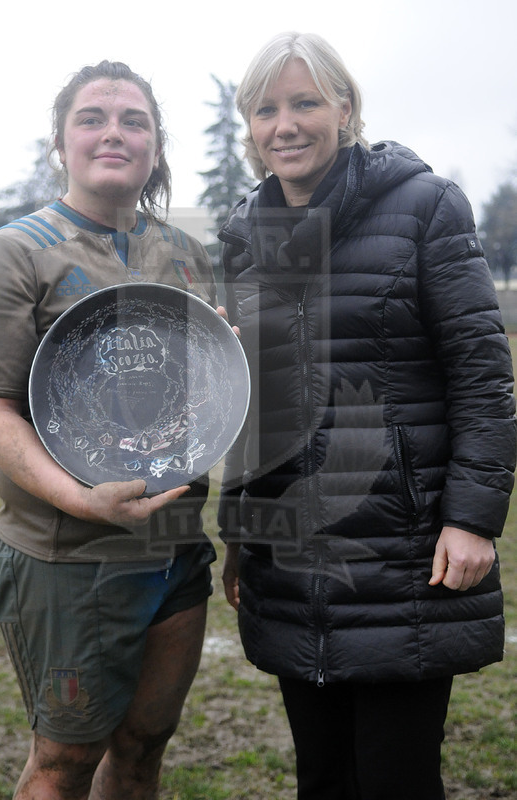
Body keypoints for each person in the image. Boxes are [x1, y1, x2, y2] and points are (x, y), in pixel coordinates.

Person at [217, 31, 516, 800]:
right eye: (266, 109)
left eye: (305, 102)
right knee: (321, 778)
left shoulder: (426, 206)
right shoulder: (243, 233)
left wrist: (473, 519)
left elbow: (482, 377)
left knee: (395, 780)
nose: (285, 124)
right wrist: (239, 533)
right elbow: (250, 403)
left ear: (345, 108)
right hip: (288, 555)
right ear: (249, 124)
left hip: (403, 553)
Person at [0, 61, 218, 800]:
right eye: (92, 119)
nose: (113, 133)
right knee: (64, 763)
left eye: (134, 120)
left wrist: (222, 367)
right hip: (69, 556)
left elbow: (198, 395)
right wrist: (83, 500)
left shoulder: (187, 254)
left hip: (177, 548)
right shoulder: (13, 253)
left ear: (156, 145)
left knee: (142, 749)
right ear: (60, 142)